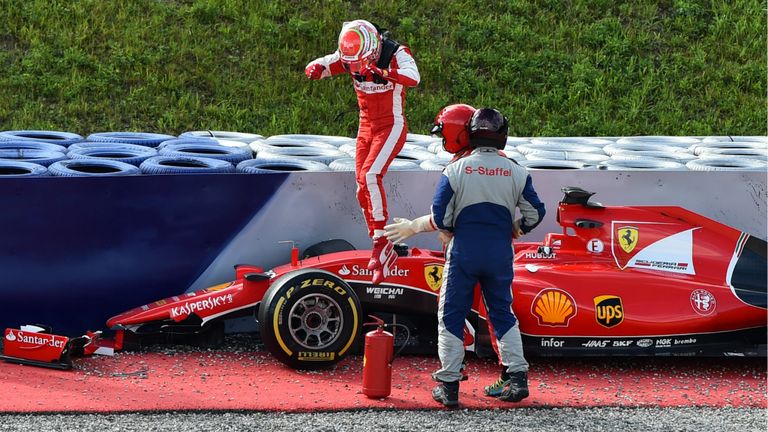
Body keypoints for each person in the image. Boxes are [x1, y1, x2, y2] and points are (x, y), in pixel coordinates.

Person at [384, 106, 546, 407]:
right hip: (499, 253)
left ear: (469, 133)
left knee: (451, 316)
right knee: (503, 315)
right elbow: (536, 213)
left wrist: (439, 228)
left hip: (464, 253)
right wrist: (516, 228)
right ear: (503, 136)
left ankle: (449, 385)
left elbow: (441, 218)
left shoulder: (456, 170)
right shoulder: (516, 170)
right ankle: (518, 378)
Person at [304, 19, 420, 284]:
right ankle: (379, 241)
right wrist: (314, 68)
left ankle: (381, 242)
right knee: (361, 186)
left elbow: (415, 78)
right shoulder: (351, 54)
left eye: (361, 63)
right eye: (352, 65)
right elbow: (326, 64)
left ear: (374, 47)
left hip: (391, 125)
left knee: (370, 176)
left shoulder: (395, 53)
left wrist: (386, 74)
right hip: (365, 126)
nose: (356, 70)